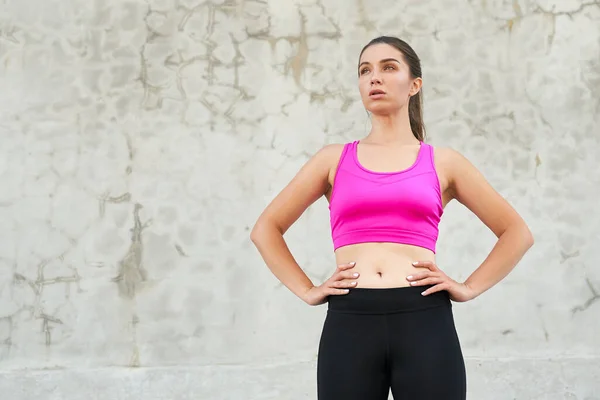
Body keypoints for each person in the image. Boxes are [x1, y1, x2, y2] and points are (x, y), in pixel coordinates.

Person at [250, 36, 534, 400]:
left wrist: (468, 287)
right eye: (364, 70)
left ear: (415, 84)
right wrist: (307, 290)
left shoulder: (442, 162)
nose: (374, 78)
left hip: (424, 319)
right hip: (350, 321)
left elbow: (516, 232)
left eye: (388, 67)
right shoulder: (333, 159)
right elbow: (265, 230)